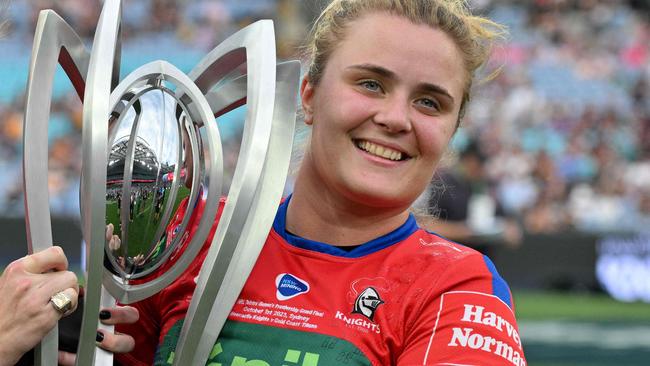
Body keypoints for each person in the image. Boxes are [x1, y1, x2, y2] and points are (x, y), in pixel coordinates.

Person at [116, 0, 527, 365]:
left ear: (451, 132)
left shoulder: (456, 288)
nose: (396, 118)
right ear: (309, 95)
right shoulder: (192, 239)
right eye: (371, 84)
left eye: (429, 102)